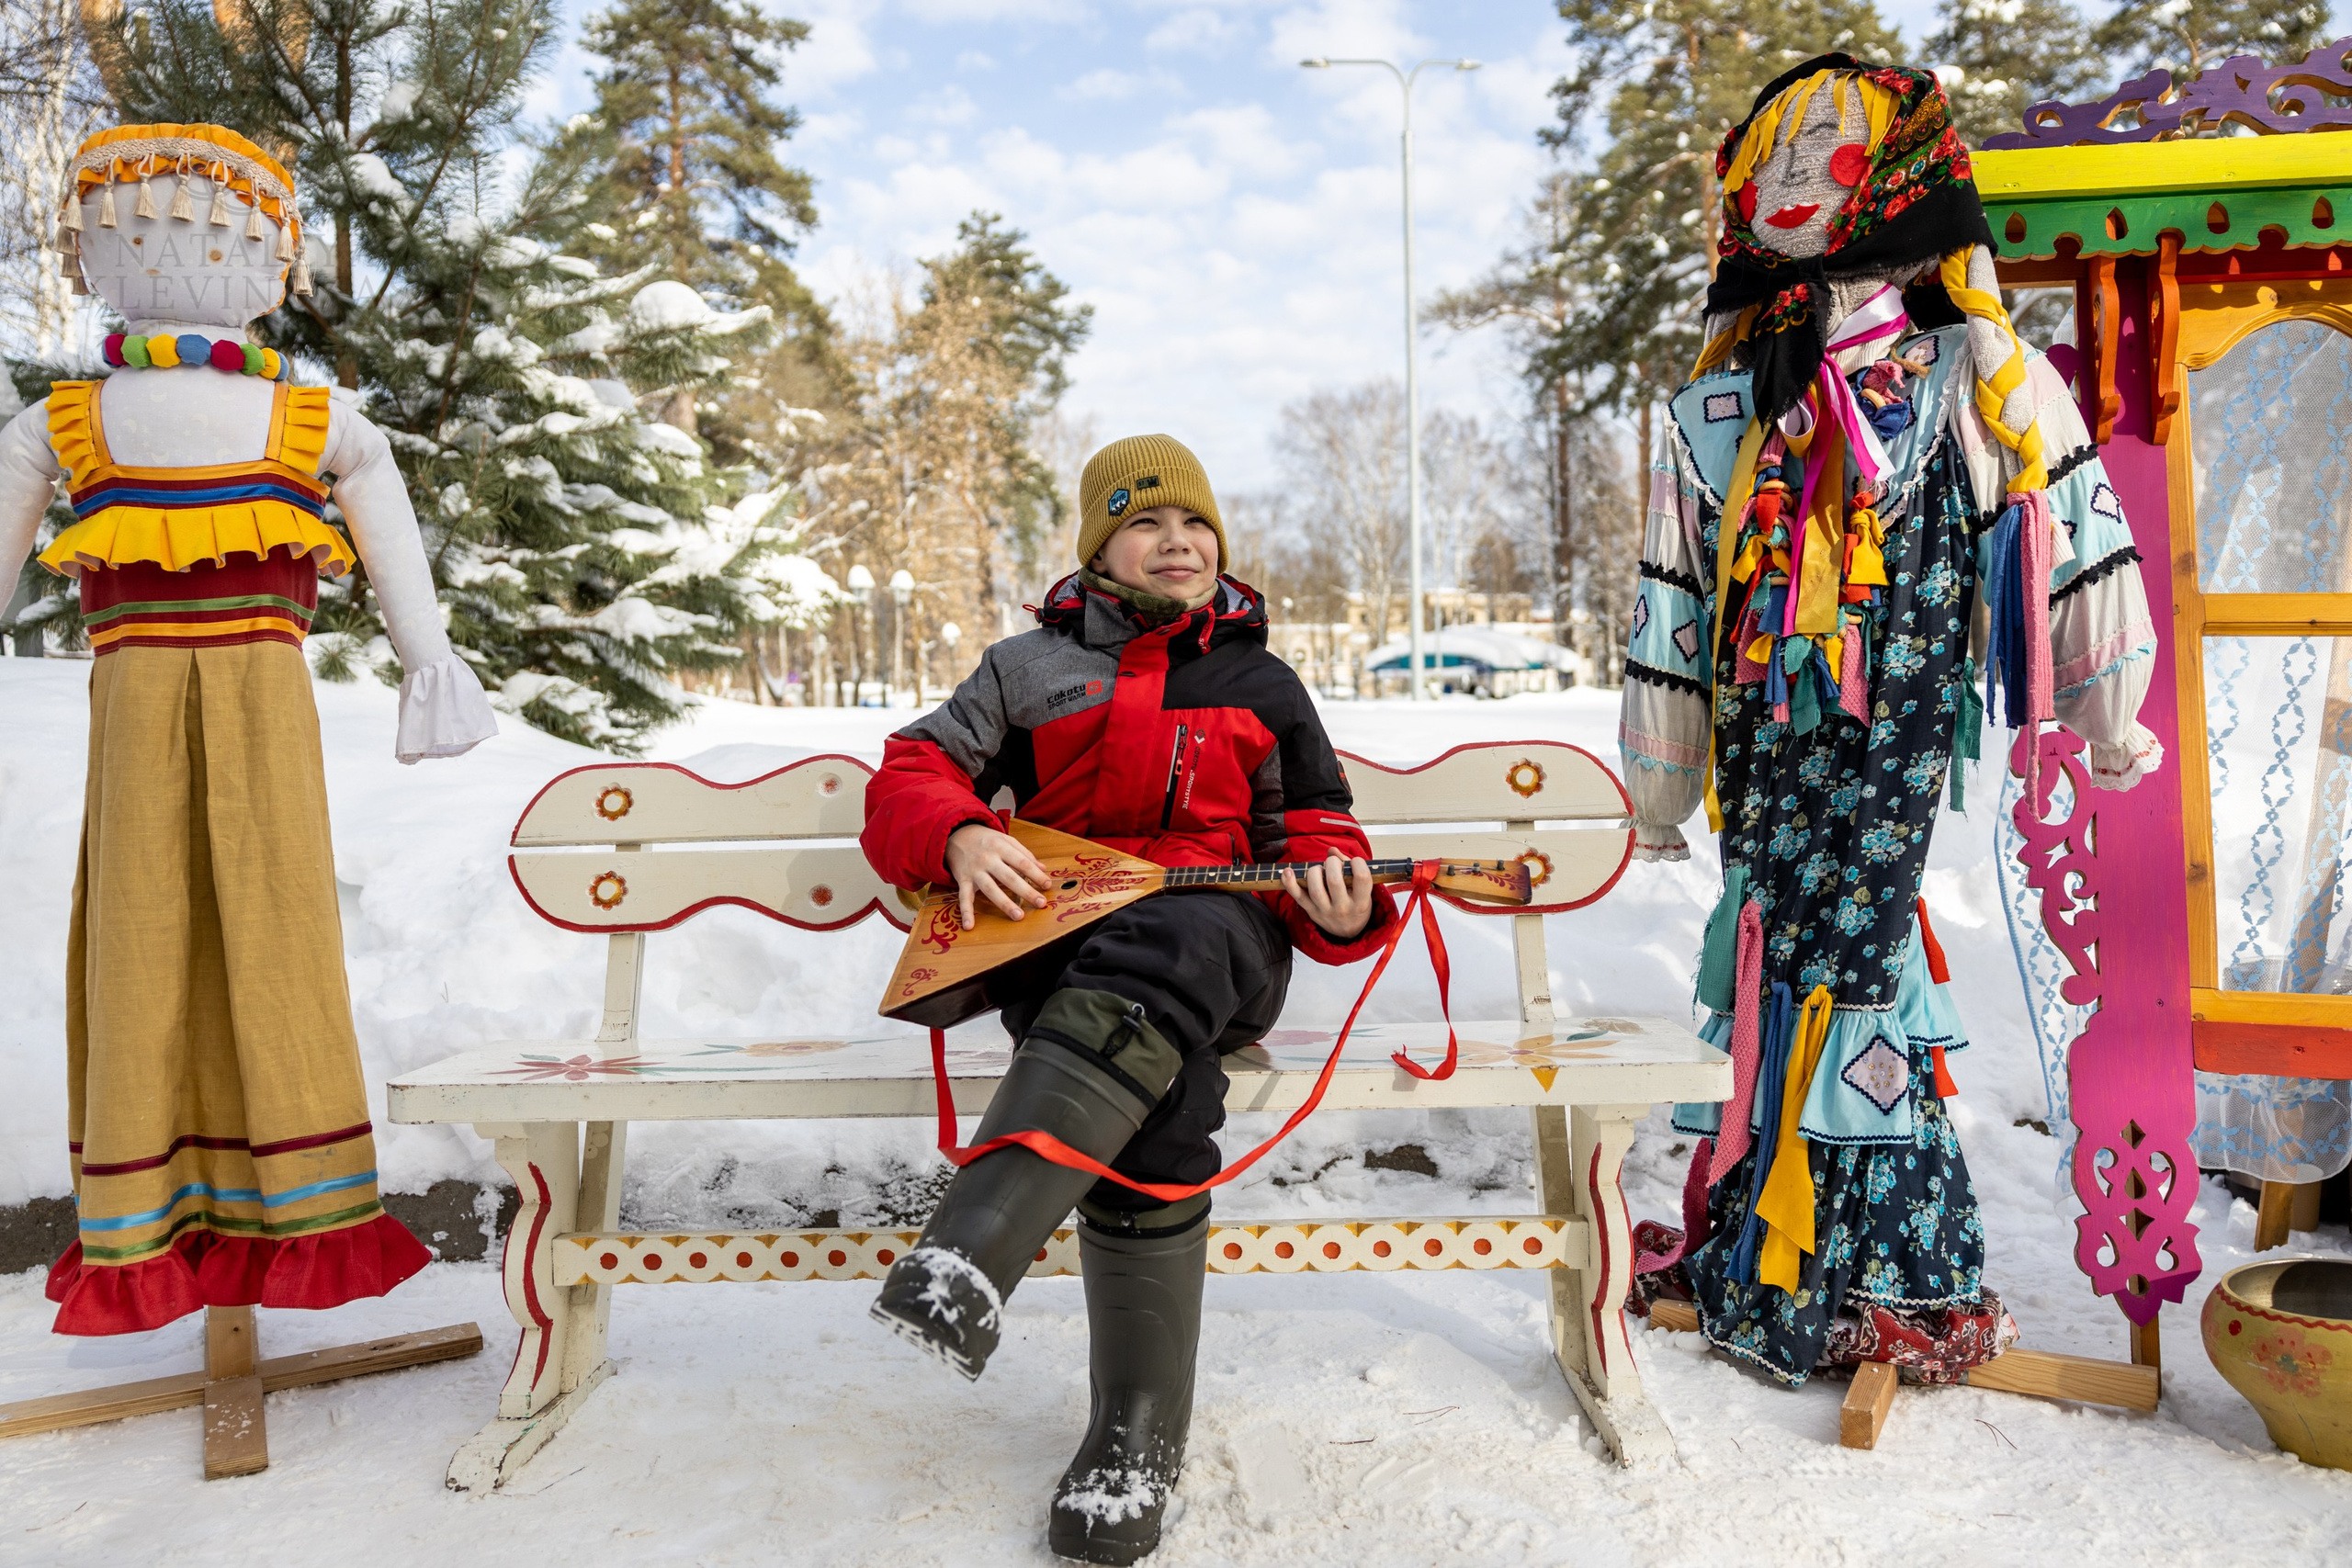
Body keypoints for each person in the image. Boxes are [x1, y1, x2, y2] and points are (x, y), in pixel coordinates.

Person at [1617, 60, 2162, 1385]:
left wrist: (2108, 708)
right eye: (1780, 157)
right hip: (1761, 741)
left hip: (1892, 740)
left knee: (1857, 952)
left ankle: (1875, 1263)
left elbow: (2073, 528)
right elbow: (1671, 596)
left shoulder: (1980, 374)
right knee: (1766, 934)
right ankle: (1778, 1242)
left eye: (1834, 153)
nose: (1799, 178)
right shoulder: (1722, 403)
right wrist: (1661, 784)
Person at [859, 433, 1396, 1564]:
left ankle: (972, 1246)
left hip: (1223, 944)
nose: (1177, 541)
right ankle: (1132, 1439)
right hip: (1068, 954)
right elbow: (914, 771)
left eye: (1195, 523)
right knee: (1163, 1095)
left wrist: (1340, 903)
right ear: (1098, 548)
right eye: (1145, 521)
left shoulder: (1261, 684)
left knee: (1181, 932)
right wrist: (957, 831)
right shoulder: (1025, 671)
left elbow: (1312, 830)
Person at [0, 124, 497, 1335]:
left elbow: (388, 526)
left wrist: (432, 664)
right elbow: (388, 529)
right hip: (206, 725)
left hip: (190, 722)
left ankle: (213, 1215)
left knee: (176, 945)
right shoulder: (100, 422)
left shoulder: (135, 422)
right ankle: (222, 1216)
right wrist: (427, 659)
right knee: (235, 944)